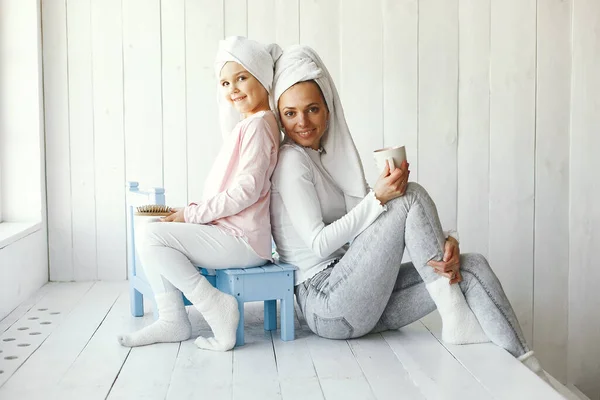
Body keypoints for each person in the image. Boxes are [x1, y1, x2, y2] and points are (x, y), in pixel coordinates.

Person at [269, 45, 548, 381]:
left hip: (357, 296)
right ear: (279, 115)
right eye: (290, 113)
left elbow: (363, 240)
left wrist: (439, 242)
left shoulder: (322, 159)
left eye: (312, 109)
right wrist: (378, 199)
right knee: (408, 195)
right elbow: (319, 244)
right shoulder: (291, 161)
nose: (302, 122)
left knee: (471, 268)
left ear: (329, 108)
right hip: (325, 302)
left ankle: (533, 376)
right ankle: (452, 310)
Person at [117, 36, 282, 352]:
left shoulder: (259, 127)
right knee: (150, 231)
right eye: (224, 82)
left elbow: (246, 191)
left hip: (243, 241)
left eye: (242, 77)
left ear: (263, 78)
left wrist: (190, 214)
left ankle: (213, 306)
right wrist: (187, 212)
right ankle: (173, 319)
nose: (232, 88)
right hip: (231, 233)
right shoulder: (250, 125)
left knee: (151, 237)